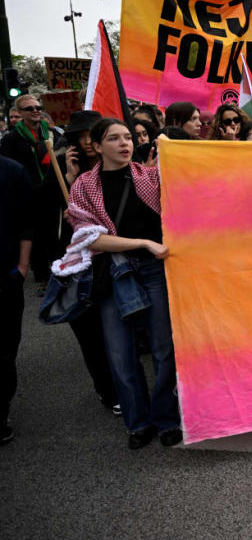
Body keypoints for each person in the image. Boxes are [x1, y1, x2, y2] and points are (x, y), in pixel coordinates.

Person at [66, 118, 180, 449]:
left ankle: (166, 418)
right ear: (97, 146)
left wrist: (176, 153)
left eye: (128, 137)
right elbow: (90, 239)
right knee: (120, 354)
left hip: (155, 271)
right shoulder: (84, 186)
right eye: (114, 139)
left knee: (164, 349)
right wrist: (142, 243)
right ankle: (138, 423)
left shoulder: (153, 177)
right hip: (113, 275)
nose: (124, 143)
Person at [42, 111, 120, 414]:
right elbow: (47, 217)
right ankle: (108, 391)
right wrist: (70, 183)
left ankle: (127, 387)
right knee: (89, 332)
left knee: (118, 329)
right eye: (81, 135)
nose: (87, 141)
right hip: (79, 265)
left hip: (112, 260)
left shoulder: (114, 165)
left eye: (93, 134)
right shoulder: (62, 167)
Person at [1, 95, 55, 295]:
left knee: (52, 234)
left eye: (38, 107)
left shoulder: (50, 134)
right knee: (35, 235)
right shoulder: (11, 139)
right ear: (20, 113)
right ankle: (41, 277)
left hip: (50, 192)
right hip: (27, 195)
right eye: (29, 108)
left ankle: (57, 272)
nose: (35, 110)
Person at [0, 155, 32, 444]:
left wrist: (22, 268)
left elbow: (26, 222)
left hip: (5, 277)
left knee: (5, 349)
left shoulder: (12, 170)